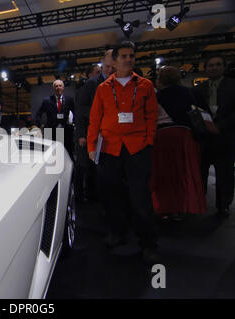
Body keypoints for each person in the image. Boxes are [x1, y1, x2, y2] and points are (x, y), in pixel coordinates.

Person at [87, 41, 159, 264]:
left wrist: (148, 141)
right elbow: (94, 120)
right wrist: (91, 147)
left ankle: (147, 242)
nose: (129, 59)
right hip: (110, 149)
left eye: (132, 56)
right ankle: (116, 233)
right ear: (114, 61)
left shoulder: (145, 85)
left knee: (140, 198)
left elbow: (152, 117)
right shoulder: (103, 89)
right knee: (111, 196)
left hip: (138, 148)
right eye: (124, 56)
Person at [150, 66, 206, 218]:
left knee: (165, 176)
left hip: (162, 138)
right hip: (185, 138)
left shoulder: (157, 96)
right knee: (185, 174)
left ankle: (166, 208)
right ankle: (185, 206)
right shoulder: (190, 93)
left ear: (160, 80)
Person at [193, 54, 235, 218]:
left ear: (223, 67)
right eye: (210, 65)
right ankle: (199, 202)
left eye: (218, 65)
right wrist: (203, 128)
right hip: (205, 139)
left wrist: (220, 126)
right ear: (206, 68)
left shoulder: (233, 86)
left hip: (225, 137)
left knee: (225, 175)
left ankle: (223, 205)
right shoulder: (198, 89)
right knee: (201, 173)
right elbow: (193, 111)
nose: (214, 68)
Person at [75, 50, 114, 202]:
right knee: (86, 166)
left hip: (109, 134)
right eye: (106, 66)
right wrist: (81, 134)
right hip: (91, 133)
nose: (110, 70)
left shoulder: (116, 82)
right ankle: (85, 196)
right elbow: (80, 112)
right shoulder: (91, 85)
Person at [35, 79, 75, 158]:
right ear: (54, 88)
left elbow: (76, 112)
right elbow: (38, 114)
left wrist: (74, 124)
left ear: (63, 87)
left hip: (65, 131)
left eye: (60, 86)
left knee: (66, 154)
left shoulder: (69, 100)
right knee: (50, 155)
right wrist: (41, 125)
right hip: (50, 131)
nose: (58, 87)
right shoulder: (47, 100)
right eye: (56, 86)